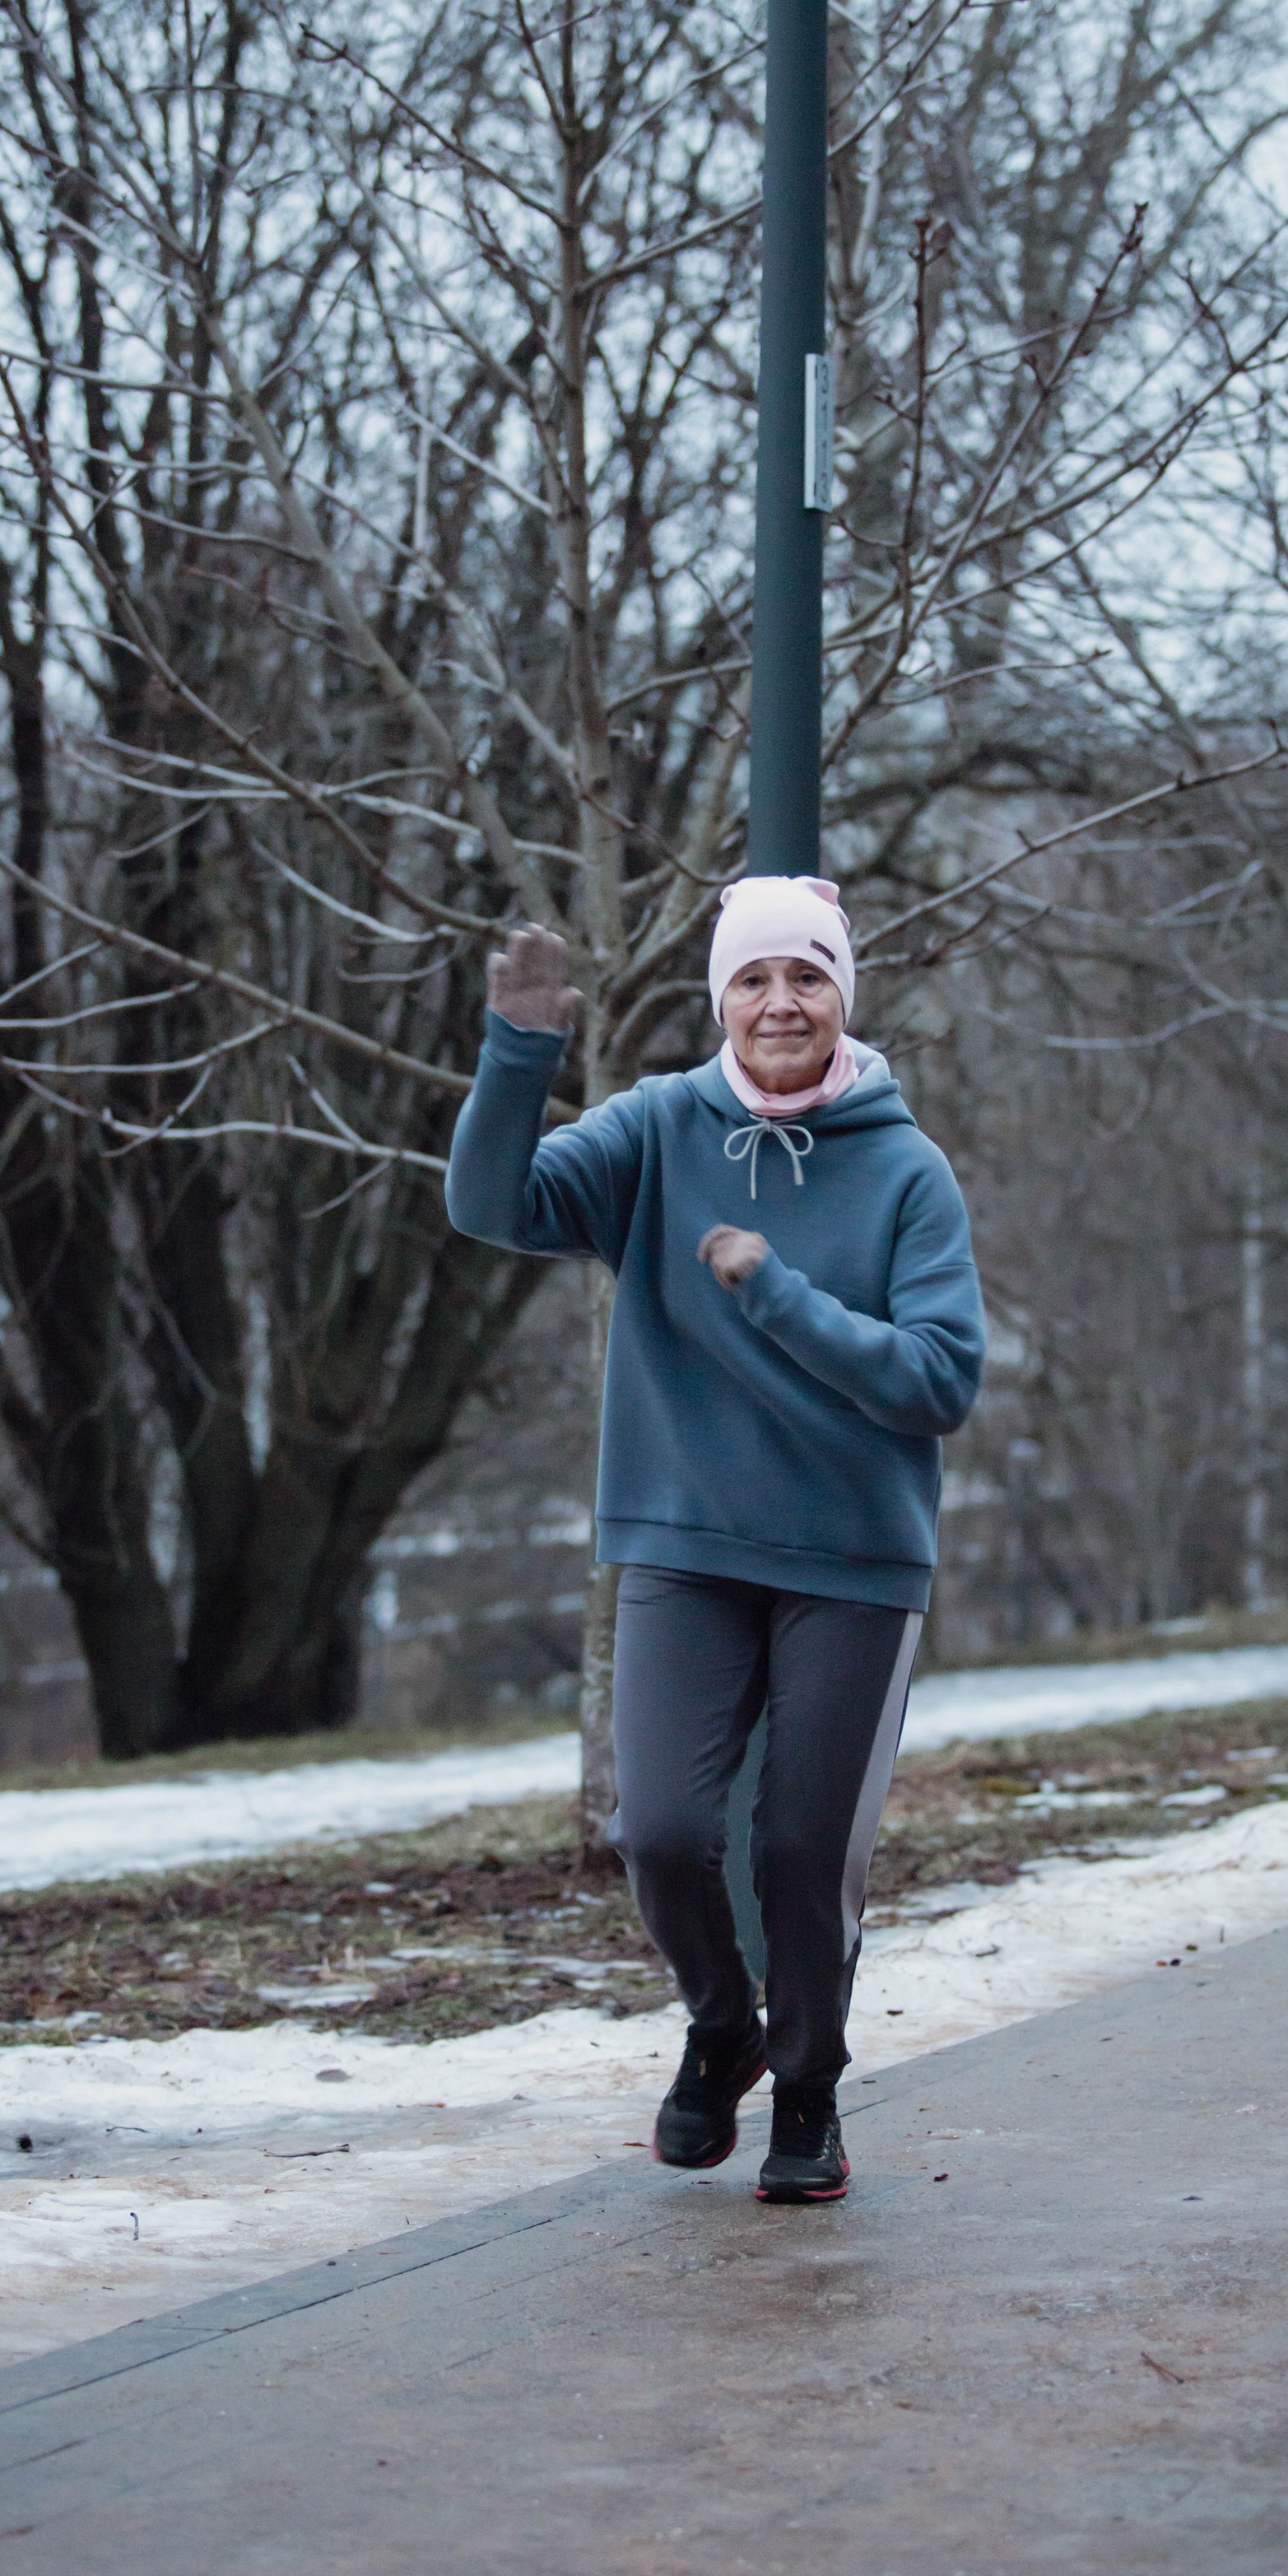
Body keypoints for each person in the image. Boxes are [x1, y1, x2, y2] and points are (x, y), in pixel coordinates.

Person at [444, 878, 985, 2202]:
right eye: (753, 980)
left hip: (852, 1564)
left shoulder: (906, 1171)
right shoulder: (654, 1131)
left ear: (841, 997)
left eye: (806, 977)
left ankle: (808, 2090)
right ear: (721, 1002)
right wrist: (520, 1054)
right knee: (666, 1831)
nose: (780, 1003)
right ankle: (721, 2030)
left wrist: (775, 1295)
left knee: (803, 1847)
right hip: (683, 1543)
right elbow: (491, 1205)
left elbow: (939, 1381)